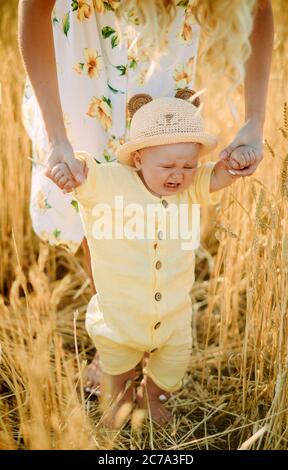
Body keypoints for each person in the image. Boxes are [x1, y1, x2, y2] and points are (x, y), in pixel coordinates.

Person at [18, 0, 274, 394]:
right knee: (94, 191)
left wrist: (255, 119)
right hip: (87, 54)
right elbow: (34, 6)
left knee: (160, 191)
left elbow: (258, 8)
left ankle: (153, 328)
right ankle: (118, 335)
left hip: (161, 55)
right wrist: (56, 137)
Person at [50, 90, 257, 427]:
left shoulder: (189, 187)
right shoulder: (113, 182)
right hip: (121, 317)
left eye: (189, 165)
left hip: (173, 317)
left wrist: (237, 162)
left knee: (171, 368)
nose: (179, 174)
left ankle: (152, 393)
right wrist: (72, 169)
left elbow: (218, 175)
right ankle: (119, 394)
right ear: (138, 159)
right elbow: (86, 175)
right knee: (116, 367)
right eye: (168, 166)